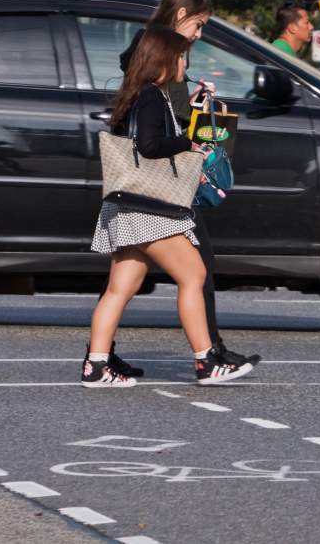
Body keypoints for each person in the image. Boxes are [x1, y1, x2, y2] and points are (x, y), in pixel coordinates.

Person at [84, 26, 255, 388]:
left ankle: (97, 366)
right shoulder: (151, 97)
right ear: (162, 60)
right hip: (150, 207)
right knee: (193, 275)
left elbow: (147, 137)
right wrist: (189, 141)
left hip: (124, 204)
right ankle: (206, 361)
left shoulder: (135, 95)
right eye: (180, 57)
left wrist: (190, 112)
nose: (183, 63)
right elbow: (149, 145)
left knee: (120, 287)